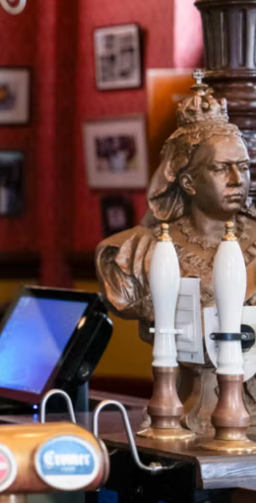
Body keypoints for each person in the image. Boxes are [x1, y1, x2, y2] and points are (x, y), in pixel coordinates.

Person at [97, 79, 256, 434]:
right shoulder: (134, 254)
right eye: (221, 168)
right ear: (187, 182)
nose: (236, 179)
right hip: (182, 415)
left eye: (243, 167)